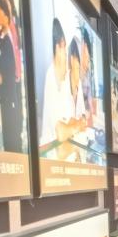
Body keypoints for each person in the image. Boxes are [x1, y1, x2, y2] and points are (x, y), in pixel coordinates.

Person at [38, 18, 85, 154]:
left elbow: (72, 121)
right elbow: (61, 133)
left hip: (63, 150)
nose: (66, 57)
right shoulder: (50, 77)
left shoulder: (64, 81)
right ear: (58, 48)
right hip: (50, 152)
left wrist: (74, 126)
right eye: (65, 51)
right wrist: (76, 127)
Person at [0, 0, 22, 153]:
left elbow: (13, 60)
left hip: (11, 88)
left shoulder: (10, 31)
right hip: (5, 90)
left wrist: (14, 76)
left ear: (5, 13)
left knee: (13, 126)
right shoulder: (1, 32)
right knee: (7, 126)